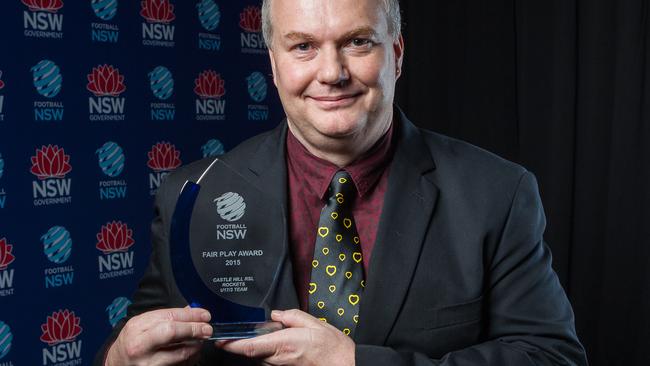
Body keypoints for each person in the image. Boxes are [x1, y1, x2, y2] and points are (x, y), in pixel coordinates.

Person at [95, 0, 588, 364]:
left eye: (357, 42)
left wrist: (357, 363)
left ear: (395, 53)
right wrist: (119, 358)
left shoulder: (497, 195)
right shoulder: (191, 195)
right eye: (303, 46)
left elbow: (551, 357)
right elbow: (140, 339)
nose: (331, 73)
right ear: (273, 62)